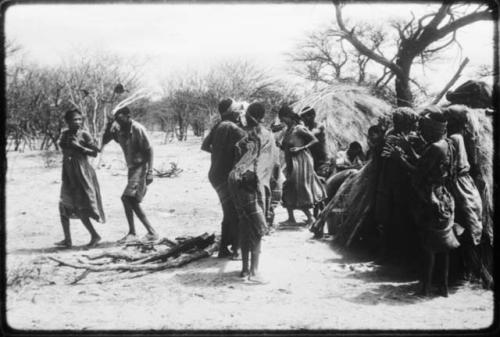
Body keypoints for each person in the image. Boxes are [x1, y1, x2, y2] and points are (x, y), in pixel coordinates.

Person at [388, 109, 460, 297]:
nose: (421, 132)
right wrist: (408, 148)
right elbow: (425, 163)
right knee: (444, 244)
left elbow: (418, 172)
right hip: (444, 196)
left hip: (431, 198)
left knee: (428, 245)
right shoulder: (447, 144)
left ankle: (425, 287)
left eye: (424, 129)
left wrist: (400, 158)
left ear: (434, 130)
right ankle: (443, 287)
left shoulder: (434, 147)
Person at [228, 102, 280, 282]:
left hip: (237, 182)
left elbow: (236, 162)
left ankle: (244, 269)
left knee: (244, 224)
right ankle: (254, 271)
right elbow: (274, 165)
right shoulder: (268, 136)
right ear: (263, 116)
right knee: (257, 228)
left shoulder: (243, 139)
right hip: (256, 184)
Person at [102, 106, 158, 243]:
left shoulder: (138, 129)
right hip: (131, 169)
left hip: (141, 168)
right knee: (129, 200)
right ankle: (135, 232)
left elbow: (149, 150)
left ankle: (150, 232)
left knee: (128, 199)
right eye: (116, 118)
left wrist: (150, 172)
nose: (117, 120)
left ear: (128, 116)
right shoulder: (119, 131)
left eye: (119, 117)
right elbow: (105, 140)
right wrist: (108, 127)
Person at [442, 105, 484, 281]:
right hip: (467, 184)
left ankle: (458, 271)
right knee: (466, 223)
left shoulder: (453, 139)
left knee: (456, 224)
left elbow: (449, 167)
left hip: (457, 184)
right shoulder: (467, 137)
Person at [201, 98, 247, 258]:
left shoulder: (218, 126)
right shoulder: (234, 128)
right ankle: (236, 248)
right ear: (232, 113)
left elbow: (205, 146)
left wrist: (218, 154)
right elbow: (249, 146)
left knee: (228, 210)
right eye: (237, 112)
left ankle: (223, 249)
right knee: (234, 211)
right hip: (225, 175)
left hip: (215, 174)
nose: (238, 114)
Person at [376, 107, 421, 262]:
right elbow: (383, 155)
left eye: (399, 120)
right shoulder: (390, 133)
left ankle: (400, 254)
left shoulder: (413, 137)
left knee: (400, 215)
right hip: (388, 178)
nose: (395, 123)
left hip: (403, 180)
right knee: (386, 216)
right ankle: (385, 252)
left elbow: (416, 161)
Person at [56, 109, 104, 248]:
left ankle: (94, 236)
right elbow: (64, 148)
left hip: (82, 173)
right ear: (68, 121)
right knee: (63, 205)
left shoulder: (85, 134)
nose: (77, 122)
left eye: (79, 119)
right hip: (68, 173)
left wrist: (80, 147)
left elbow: (96, 152)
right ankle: (67, 239)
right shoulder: (64, 134)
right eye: (74, 120)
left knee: (82, 207)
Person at [279, 105, 326, 226]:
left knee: (298, 189)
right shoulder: (288, 130)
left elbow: (314, 140)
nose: (282, 121)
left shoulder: (299, 128)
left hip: (300, 162)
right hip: (290, 162)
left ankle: (310, 218)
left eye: (283, 119)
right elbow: (287, 147)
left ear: (289, 117)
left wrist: (301, 148)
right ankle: (291, 219)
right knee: (288, 187)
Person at [299, 106, 330, 178]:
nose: (303, 120)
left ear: (313, 116)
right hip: (310, 160)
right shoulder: (306, 128)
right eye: (302, 117)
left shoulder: (319, 126)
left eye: (305, 117)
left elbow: (312, 134)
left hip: (320, 160)